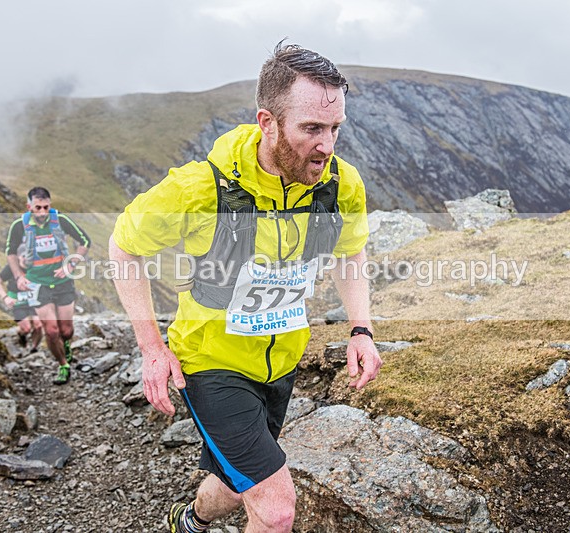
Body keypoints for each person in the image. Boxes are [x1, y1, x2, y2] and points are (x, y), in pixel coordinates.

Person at [109, 42, 382, 533]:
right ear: (267, 122)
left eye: (335, 128)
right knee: (276, 509)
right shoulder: (199, 188)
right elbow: (123, 248)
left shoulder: (341, 185)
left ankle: (189, 521)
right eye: (312, 129)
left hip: (281, 361)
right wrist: (151, 348)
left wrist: (360, 329)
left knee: (237, 484)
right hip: (210, 363)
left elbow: (350, 252)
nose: (327, 146)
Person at [5, 186, 91, 385]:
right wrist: (18, 276)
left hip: (62, 282)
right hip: (37, 284)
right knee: (51, 331)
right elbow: (10, 253)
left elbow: (85, 241)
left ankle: (66, 345)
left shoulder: (60, 220)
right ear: (29, 207)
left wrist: (70, 265)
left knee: (66, 330)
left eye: (46, 207)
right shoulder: (19, 226)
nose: (43, 212)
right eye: (38, 208)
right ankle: (63, 365)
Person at [0, 244, 43, 353]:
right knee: (26, 328)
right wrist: (5, 297)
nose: (27, 259)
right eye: (24, 256)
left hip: (34, 300)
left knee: (38, 325)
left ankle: (34, 348)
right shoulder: (11, 267)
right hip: (17, 301)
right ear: (18, 257)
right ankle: (21, 335)